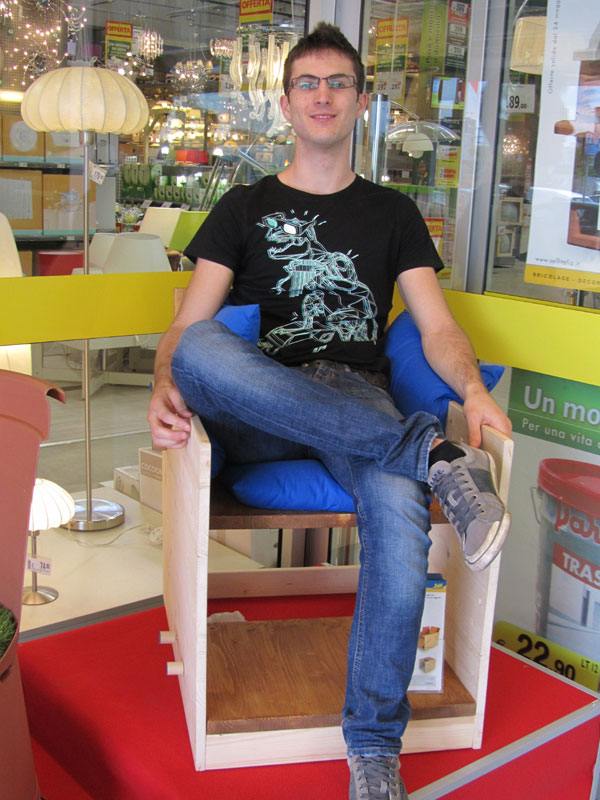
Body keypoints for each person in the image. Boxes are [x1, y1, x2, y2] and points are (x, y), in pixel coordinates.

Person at [148, 23, 512, 800]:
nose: (322, 95)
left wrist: (474, 391)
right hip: (257, 401)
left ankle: (374, 748)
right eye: (307, 83)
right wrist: (159, 386)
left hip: (353, 397)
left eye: (337, 83)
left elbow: (438, 329)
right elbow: (184, 331)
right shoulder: (242, 206)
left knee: (399, 510)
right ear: (286, 104)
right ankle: (434, 455)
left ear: (361, 101)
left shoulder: (394, 213)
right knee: (203, 347)